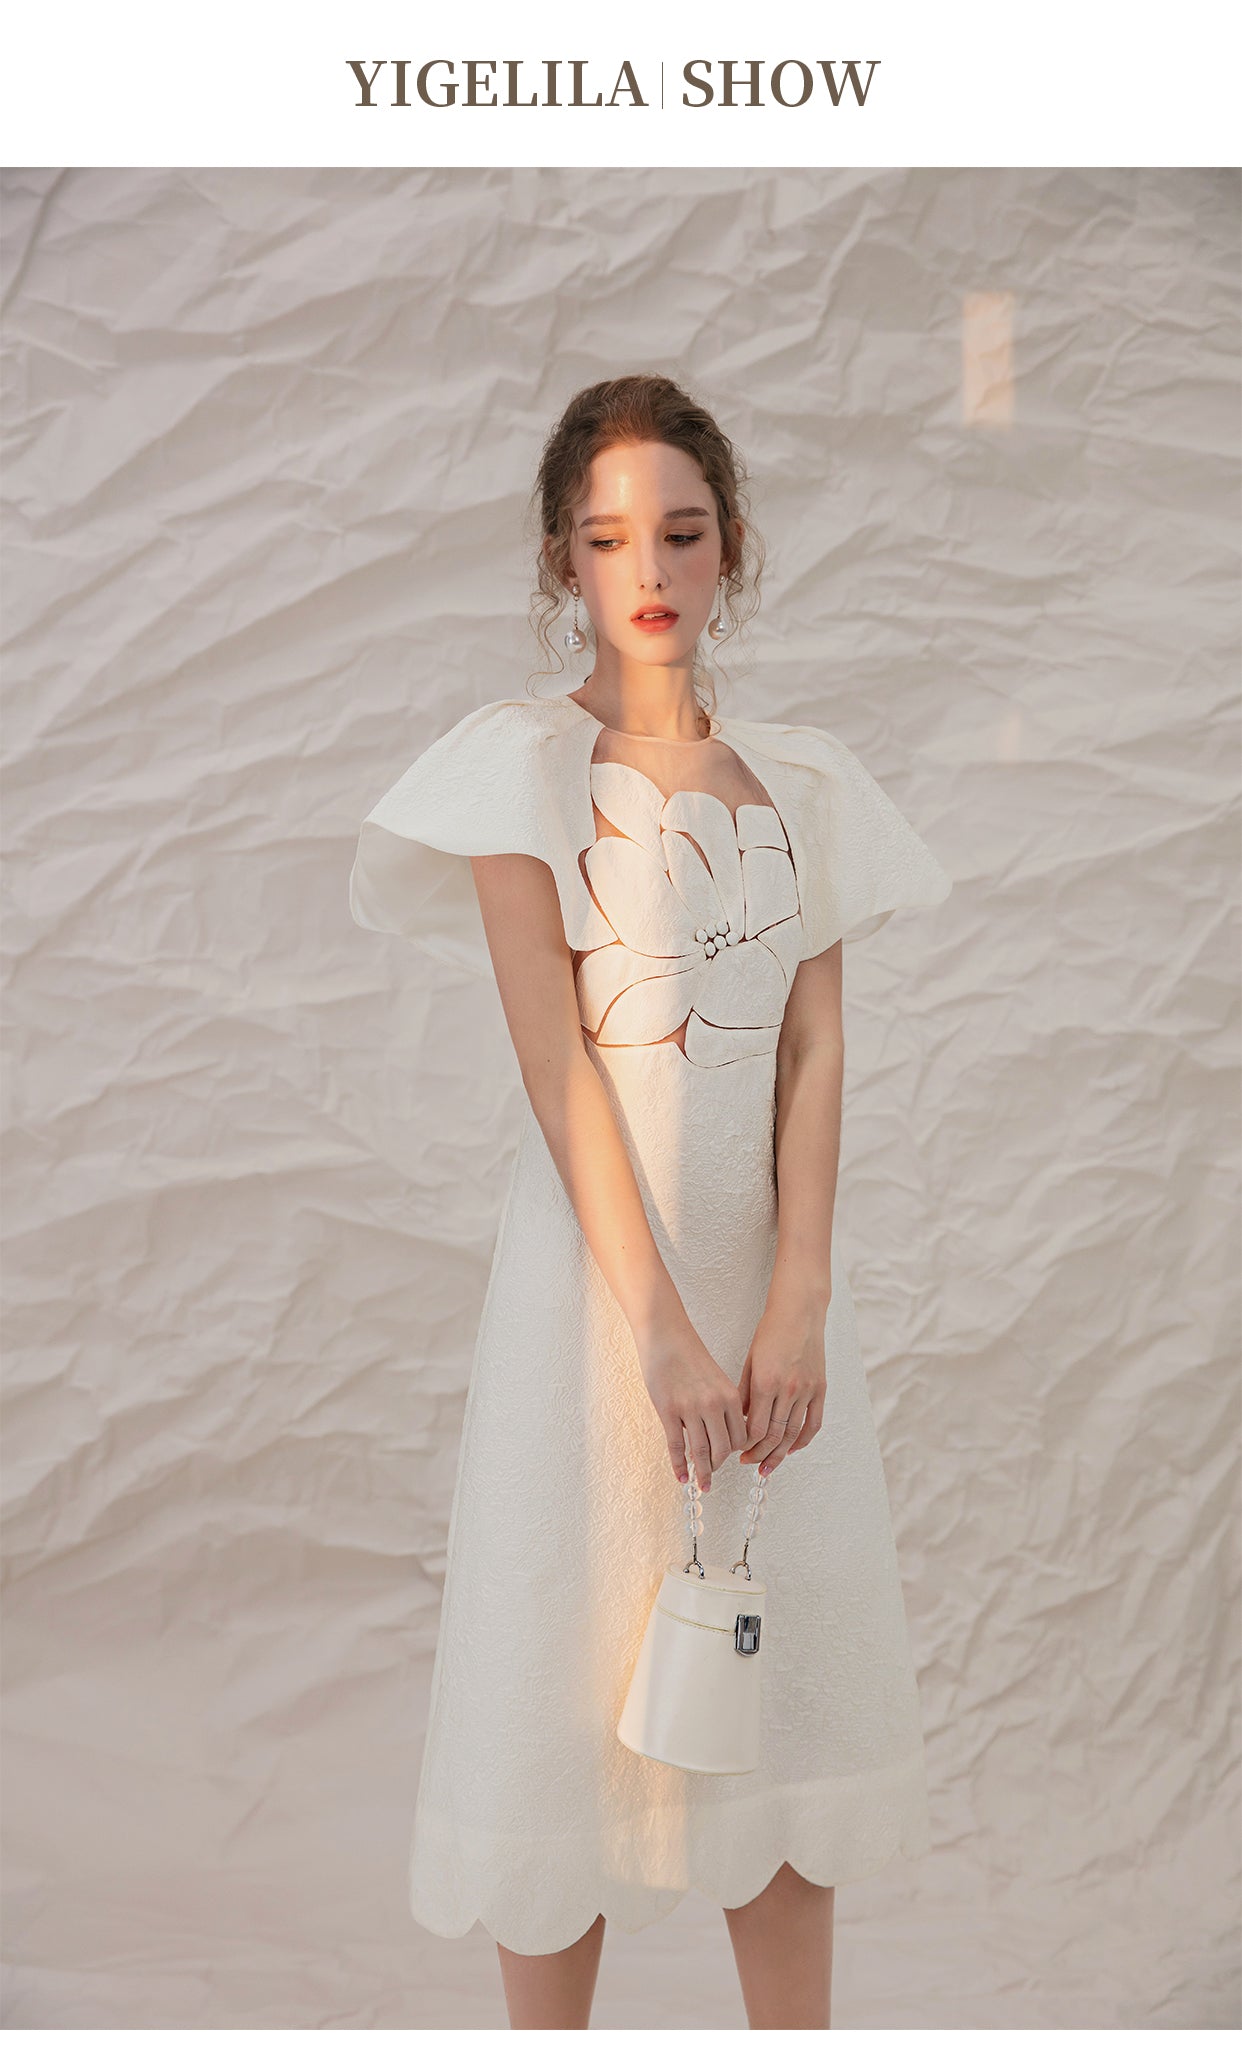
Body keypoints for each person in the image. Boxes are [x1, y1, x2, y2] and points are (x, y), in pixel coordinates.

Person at [348, 372, 952, 2029]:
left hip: (767, 1315)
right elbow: (559, 1071)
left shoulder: (805, 784)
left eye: (680, 531)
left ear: (728, 542)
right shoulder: (518, 772)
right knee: (563, 1706)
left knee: (781, 1692)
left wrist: (796, 1296)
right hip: (594, 1308)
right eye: (609, 537)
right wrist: (661, 1330)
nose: (649, 568)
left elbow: (815, 1047)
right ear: (564, 557)